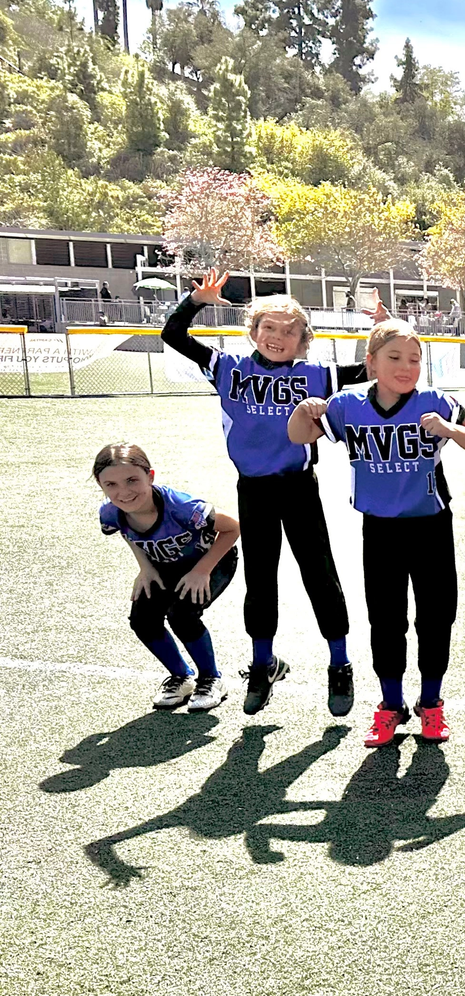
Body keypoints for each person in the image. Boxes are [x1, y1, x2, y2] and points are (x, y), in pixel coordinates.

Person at [162, 271, 360, 717]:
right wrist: (196, 300)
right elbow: (172, 334)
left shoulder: (317, 374)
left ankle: (340, 663)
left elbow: (377, 368)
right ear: (252, 332)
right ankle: (262, 662)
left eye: (289, 331)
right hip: (253, 490)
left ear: (304, 341)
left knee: (320, 575)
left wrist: (382, 331)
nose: (277, 336)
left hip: (298, 488)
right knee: (261, 580)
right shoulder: (229, 368)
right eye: (268, 328)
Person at [290, 321, 465, 747]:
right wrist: (303, 410)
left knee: (436, 616)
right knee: (386, 619)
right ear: (371, 363)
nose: (406, 366)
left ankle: (431, 704)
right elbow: (297, 437)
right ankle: (390, 705)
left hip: (431, 526)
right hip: (379, 529)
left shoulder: (435, 401)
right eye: (394, 357)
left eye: (415, 359)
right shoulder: (347, 405)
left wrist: (451, 430)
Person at [94, 443, 240, 712]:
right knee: (142, 620)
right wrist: (145, 567)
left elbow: (232, 528)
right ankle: (181, 677)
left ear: (150, 476)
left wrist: (202, 571)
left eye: (131, 480)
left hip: (212, 562)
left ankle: (211, 679)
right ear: (101, 486)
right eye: (111, 484)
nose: (123, 491)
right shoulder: (110, 512)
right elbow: (126, 533)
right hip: (163, 566)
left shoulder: (182, 508)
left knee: (182, 615)